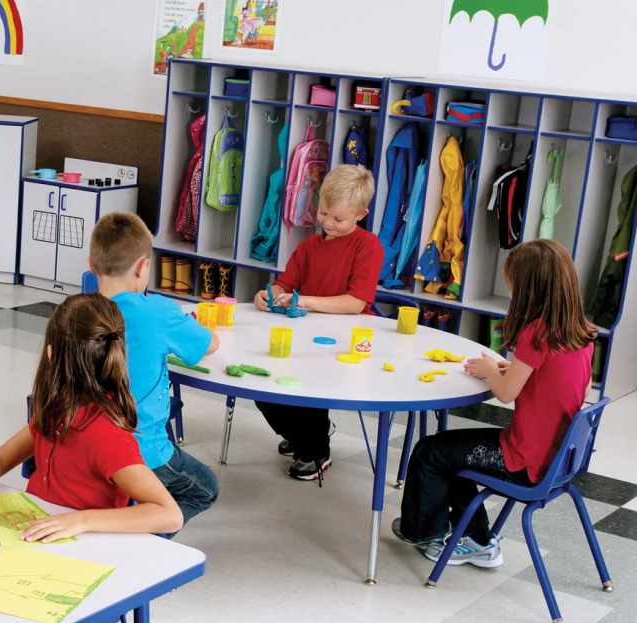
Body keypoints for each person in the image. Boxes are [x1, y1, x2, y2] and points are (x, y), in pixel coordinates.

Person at [0, 291, 182, 623]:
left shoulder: (105, 434)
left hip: (82, 567)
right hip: (37, 547)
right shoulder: (58, 406)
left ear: (50, 355)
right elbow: (0, 459)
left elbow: (169, 514)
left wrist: (81, 519)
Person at [393, 239, 596, 568]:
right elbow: (573, 385)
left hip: (526, 460)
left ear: (530, 290)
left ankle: (426, 533)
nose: (511, 294)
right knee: (450, 453)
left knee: (431, 452)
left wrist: (491, 370)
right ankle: (476, 537)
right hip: (559, 457)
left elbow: (506, 394)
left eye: (513, 286)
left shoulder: (537, 333)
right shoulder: (580, 331)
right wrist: (514, 369)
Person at [88, 211, 219, 527]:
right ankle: (141, 537)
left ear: (91, 264)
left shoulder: (78, 312)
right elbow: (210, 344)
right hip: (143, 451)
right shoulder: (159, 312)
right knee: (205, 489)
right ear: (142, 267)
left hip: (88, 445)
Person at [253, 164, 383, 481]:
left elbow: (355, 303)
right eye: (323, 212)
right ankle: (306, 434)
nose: (327, 222)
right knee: (263, 387)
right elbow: (284, 283)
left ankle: (315, 450)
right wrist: (269, 294)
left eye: (338, 218)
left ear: (361, 214)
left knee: (311, 385)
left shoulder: (368, 246)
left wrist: (306, 301)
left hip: (346, 344)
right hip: (306, 336)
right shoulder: (309, 246)